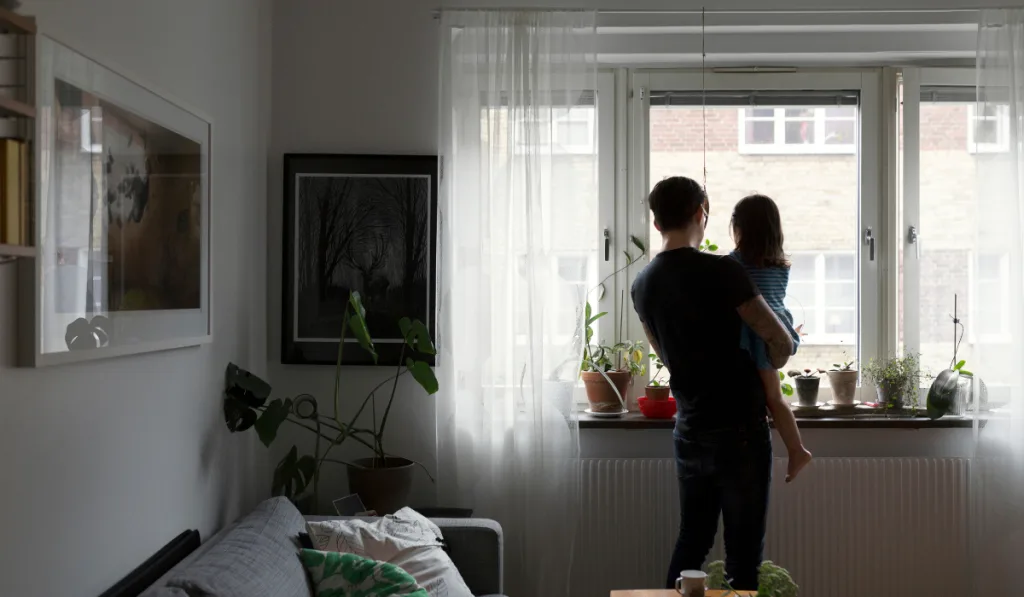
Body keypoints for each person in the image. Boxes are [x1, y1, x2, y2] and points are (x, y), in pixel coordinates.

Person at [630, 176, 794, 591]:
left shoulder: (642, 285)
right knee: (743, 557)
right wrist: (771, 355)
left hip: (690, 430)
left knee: (692, 544)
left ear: (657, 224)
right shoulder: (724, 271)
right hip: (741, 433)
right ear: (701, 212)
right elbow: (778, 343)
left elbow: (665, 355)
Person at [729, 194, 813, 484]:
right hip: (777, 328)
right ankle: (796, 448)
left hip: (756, 333)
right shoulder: (781, 265)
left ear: (739, 227)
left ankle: (797, 449)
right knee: (773, 397)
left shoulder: (733, 263)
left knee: (773, 398)